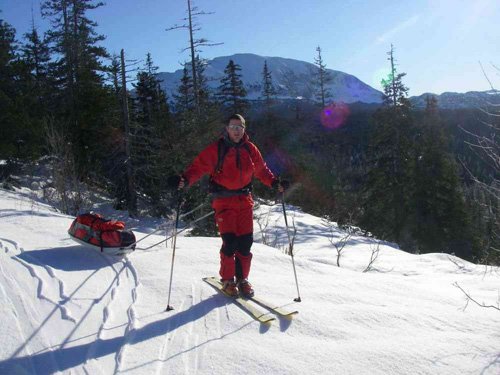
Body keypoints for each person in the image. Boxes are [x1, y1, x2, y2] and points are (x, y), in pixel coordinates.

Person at [174, 114, 288, 298]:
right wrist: (185, 180)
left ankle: (242, 279)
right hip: (224, 201)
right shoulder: (217, 149)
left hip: (244, 201)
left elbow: (261, 170)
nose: (236, 130)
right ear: (227, 128)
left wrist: (275, 183)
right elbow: (199, 167)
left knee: (245, 243)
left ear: (244, 129)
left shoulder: (250, 149)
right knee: (230, 242)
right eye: (233, 127)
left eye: (240, 127)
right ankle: (228, 280)